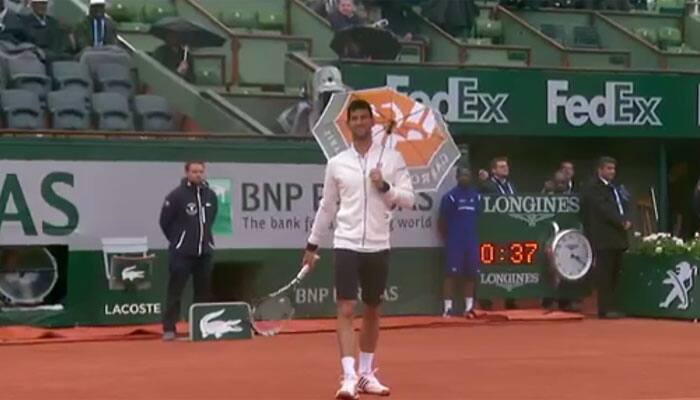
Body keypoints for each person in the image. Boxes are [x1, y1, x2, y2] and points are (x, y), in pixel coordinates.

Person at [302, 99, 414, 399]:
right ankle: (349, 376)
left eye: (365, 117)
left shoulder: (392, 159)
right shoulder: (337, 163)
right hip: (347, 242)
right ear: (348, 124)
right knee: (347, 307)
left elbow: (409, 199)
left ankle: (366, 374)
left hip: (379, 243)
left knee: (374, 308)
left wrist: (385, 186)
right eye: (356, 118)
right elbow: (327, 207)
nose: (361, 122)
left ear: (373, 123)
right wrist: (312, 245)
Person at [159, 161, 218, 341]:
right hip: (182, 253)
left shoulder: (210, 195)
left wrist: (205, 240)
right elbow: (164, 222)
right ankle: (169, 328)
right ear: (187, 172)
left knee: (203, 291)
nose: (198, 175)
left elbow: (211, 218)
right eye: (194, 171)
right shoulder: (176, 196)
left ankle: (200, 327)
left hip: (205, 252)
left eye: (201, 171)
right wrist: (179, 241)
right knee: (175, 291)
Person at [581, 157, 631, 319]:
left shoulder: (615, 187)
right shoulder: (592, 187)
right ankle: (604, 309)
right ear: (600, 170)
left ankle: (613, 306)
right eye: (608, 168)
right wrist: (621, 221)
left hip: (618, 236)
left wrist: (627, 218)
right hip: (603, 237)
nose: (612, 172)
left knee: (615, 273)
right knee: (605, 274)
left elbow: (622, 204)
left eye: (613, 169)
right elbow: (603, 209)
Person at [439, 166, 481, 318]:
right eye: (462, 175)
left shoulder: (476, 197)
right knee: (450, 275)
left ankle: (469, 308)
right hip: (454, 241)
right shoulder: (450, 197)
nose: (465, 178)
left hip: (471, 240)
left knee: (471, 274)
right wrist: (448, 239)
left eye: (467, 175)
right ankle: (448, 308)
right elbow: (442, 221)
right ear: (457, 177)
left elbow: (478, 217)